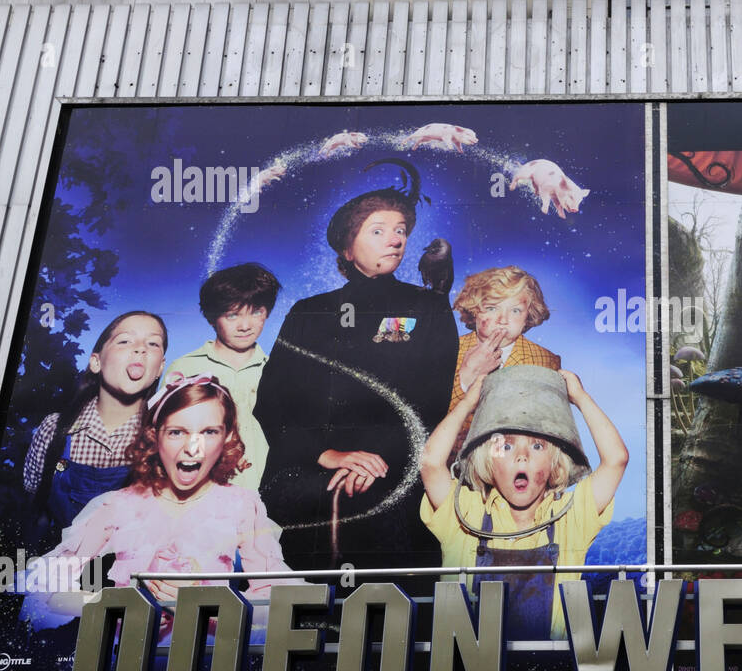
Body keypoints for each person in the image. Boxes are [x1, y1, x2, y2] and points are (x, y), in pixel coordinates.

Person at [254, 159, 457, 582]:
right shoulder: (309, 313)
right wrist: (328, 455)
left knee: (404, 613)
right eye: (379, 231)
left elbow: (434, 400)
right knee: (314, 611)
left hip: (400, 478)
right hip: (315, 484)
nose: (396, 240)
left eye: (401, 230)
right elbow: (273, 404)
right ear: (347, 248)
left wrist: (377, 463)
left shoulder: (430, 308)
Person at [19, 374, 298, 636]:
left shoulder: (242, 506)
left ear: (226, 438)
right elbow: (41, 589)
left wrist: (206, 611)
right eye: (177, 432)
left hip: (212, 665)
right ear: (155, 437)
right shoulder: (118, 505)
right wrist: (115, 606)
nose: (193, 448)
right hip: (125, 666)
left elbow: (275, 603)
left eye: (209, 431)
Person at [419, 365, 629, 640]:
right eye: (505, 446)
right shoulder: (464, 515)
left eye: (537, 446)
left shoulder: (570, 516)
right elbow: (431, 463)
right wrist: (469, 402)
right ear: (487, 463)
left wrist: (580, 397)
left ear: (555, 465)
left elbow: (616, 460)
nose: (521, 457)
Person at [23, 311, 168, 553]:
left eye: (153, 343)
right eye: (125, 340)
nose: (140, 349)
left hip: (125, 583)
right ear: (96, 361)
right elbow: (33, 506)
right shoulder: (54, 430)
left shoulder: (165, 440)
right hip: (58, 576)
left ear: (159, 368)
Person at [167, 263, 282, 490]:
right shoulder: (185, 367)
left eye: (256, 311)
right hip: (205, 493)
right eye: (232, 315)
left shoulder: (279, 369)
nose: (245, 325)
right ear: (212, 318)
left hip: (269, 493)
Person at [448, 265, 561, 457]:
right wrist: (466, 378)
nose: (503, 319)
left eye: (515, 310)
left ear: (528, 315)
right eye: (492, 308)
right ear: (474, 311)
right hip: (451, 463)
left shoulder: (545, 360)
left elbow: (547, 429)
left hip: (512, 465)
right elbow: (431, 420)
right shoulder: (448, 351)